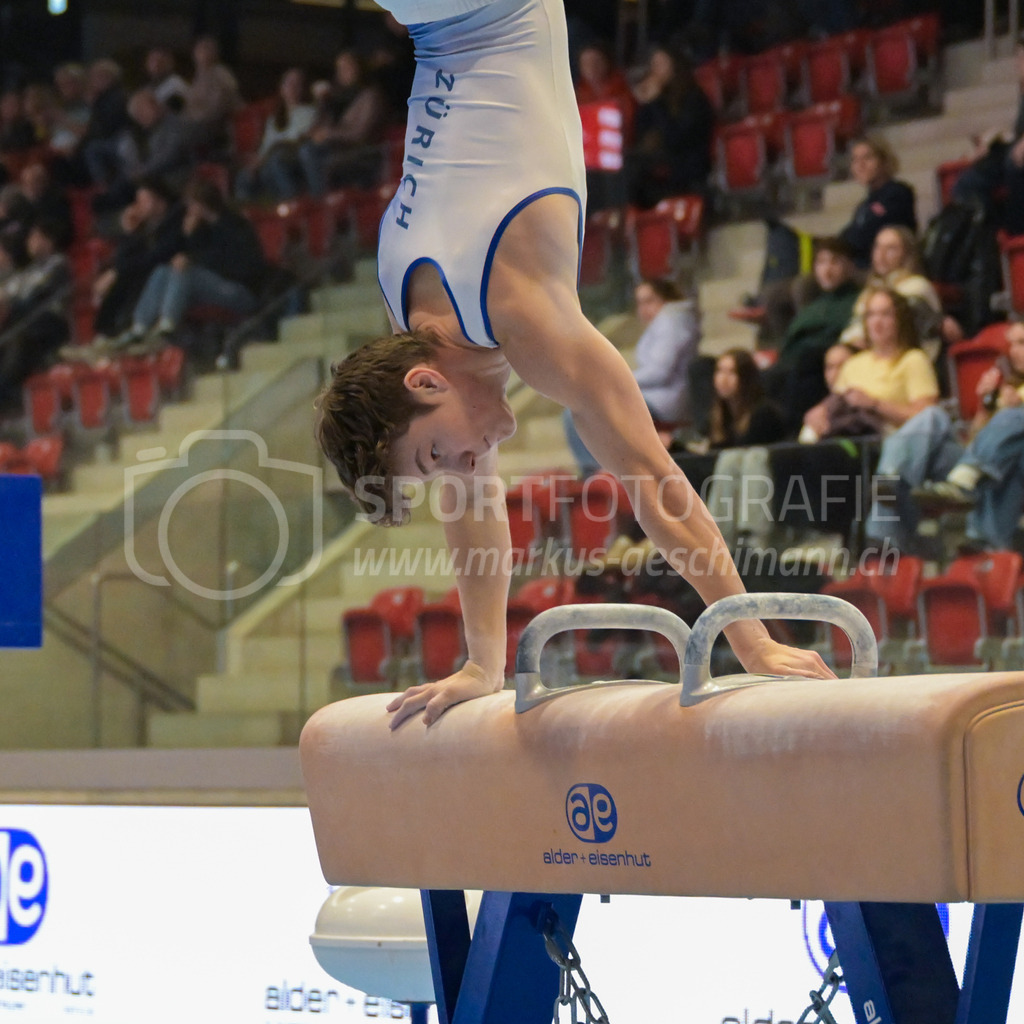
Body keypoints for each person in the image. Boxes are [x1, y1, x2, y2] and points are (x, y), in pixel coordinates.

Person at [315, 0, 831, 729]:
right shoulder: (411, 331)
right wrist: (482, 664)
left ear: (425, 381)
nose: (463, 465)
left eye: (437, 454)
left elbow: (654, 480)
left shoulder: (524, 317)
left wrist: (752, 642)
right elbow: (469, 507)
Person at [805, 286, 944, 554]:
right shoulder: (853, 364)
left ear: (899, 319)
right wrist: (818, 413)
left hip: (893, 444)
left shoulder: (913, 360)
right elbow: (834, 405)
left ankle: (869, 541)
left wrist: (875, 404)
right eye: (871, 315)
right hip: (849, 441)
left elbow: (928, 417)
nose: (877, 322)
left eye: (885, 314)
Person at [90, 177, 264, 354]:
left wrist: (192, 258)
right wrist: (191, 236)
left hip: (240, 289)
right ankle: (140, 328)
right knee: (163, 270)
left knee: (185, 271)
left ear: (201, 205)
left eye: (191, 205)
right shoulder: (200, 229)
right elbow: (197, 255)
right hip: (213, 286)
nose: (188, 210)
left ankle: (167, 327)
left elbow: (234, 263)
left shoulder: (234, 225)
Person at [564, 276, 700, 474]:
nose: (643, 309)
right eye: (640, 303)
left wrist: (617, 382)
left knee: (582, 410)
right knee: (579, 409)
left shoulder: (671, 321)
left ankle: (594, 471)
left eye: (649, 301)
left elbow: (660, 372)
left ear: (666, 299)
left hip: (664, 400)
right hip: (651, 395)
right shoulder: (662, 324)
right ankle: (595, 469)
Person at [911, 322, 1024, 552]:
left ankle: (964, 483)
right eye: (1011, 344)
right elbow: (974, 441)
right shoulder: (1008, 389)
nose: (1014, 351)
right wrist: (985, 408)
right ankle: (988, 547)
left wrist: (1015, 409)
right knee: (1004, 464)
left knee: (1012, 420)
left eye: (1022, 343)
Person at [763, 236, 860, 429]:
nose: (827, 270)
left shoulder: (858, 301)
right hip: (792, 364)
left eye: (834, 262)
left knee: (806, 363)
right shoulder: (810, 308)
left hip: (822, 362)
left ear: (849, 266)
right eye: (821, 263)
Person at [701, 348, 788, 552]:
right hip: (738, 484)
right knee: (729, 459)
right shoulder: (718, 417)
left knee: (741, 457)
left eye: (731, 372)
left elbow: (745, 448)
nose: (723, 379)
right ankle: (719, 537)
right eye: (720, 371)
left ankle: (753, 537)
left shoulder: (764, 413)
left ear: (746, 378)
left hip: (774, 480)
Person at [628, 45, 714, 210]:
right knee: (628, 166)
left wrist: (656, 101)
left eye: (662, 64)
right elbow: (641, 136)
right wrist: (644, 102)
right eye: (653, 65)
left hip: (688, 169)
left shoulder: (693, 98)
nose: (657, 70)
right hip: (661, 167)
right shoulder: (656, 102)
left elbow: (676, 139)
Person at [0, 219, 71, 410]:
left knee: (18, 340)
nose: (30, 242)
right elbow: (9, 293)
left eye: (35, 237)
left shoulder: (58, 264)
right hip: (22, 322)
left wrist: (10, 303)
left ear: (48, 240)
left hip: (48, 322)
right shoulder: (28, 271)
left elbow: (39, 297)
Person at [298, 51, 387, 197]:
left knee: (311, 153)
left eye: (348, 67)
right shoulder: (336, 98)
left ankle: (322, 202)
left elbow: (360, 134)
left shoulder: (370, 95)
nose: (343, 72)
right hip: (337, 149)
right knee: (301, 153)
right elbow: (319, 125)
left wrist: (328, 134)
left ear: (359, 67)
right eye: (339, 68)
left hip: (362, 152)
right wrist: (322, 104)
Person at [234, 68, 316, 202]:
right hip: (267, 159)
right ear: (282, 88)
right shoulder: (274, 119)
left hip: (291, 159)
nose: (292, 88)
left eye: (297, 84)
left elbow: (294, 140)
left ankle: (291, 201)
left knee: (274, 163)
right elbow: (266, 145)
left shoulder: (309, 113)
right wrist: (256, 161)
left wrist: (264, 158)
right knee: (244, 175)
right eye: (289, 83)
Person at [838, 137, 917, 269]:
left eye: (867, 158)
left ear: (884, 162)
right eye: (855, 160)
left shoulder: (898, 193)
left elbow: (868, 234)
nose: (860, 165)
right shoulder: (863, 206)